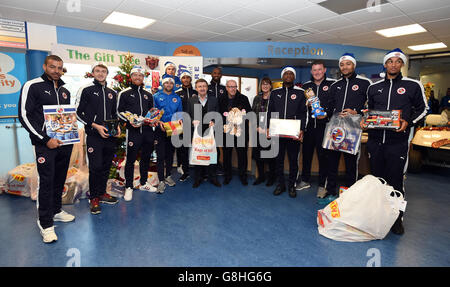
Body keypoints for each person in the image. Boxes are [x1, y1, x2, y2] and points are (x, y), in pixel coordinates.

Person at [363, 48, 428, 235]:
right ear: (385, 64)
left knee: (396, 182)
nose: (393, 64)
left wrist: (409, 122)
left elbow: (423, 109)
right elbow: (370, 111)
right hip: (375, 142)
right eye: (390, 61)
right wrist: (365, 119)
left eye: (397, 61)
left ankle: (397, 218)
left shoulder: (413, 85)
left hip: (397, 143)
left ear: (402, 65)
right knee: (377, 180)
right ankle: (379, 215)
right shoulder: (373, 88)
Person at [18, 55, 75, 243]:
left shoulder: (65, 89)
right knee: (47, 181)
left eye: (59, 67)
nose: (56, 70)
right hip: (45, 144)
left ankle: (56, 210)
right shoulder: (32, 85)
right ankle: (45, 223)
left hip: (64, 143)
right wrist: (44, 139)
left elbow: (66, 116)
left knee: (60, 178)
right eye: (52, 67)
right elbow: (24, 116)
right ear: (45, 66)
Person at [324, 53, 372, 203]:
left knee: (351, 164)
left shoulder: (365, 83)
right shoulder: (335, 85)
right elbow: (329, 107)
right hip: (335, 128)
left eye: (348, 64)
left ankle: (350, 195)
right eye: (342, 64)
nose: (345, 67)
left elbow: (372, 107)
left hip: (353, 128)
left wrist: (357, 113)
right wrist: (320, 113)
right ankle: (330, 191)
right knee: (332, 162)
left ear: (354, 65)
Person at [76, 62, 121, 214]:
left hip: (110, 135)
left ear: (107, 73)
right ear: (93, 73)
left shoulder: (112, 92)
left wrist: (118, 126)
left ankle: (102, 193)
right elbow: (78, 112)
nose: (101, 73)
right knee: (95, 167)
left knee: (106, 166)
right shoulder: (86, 90)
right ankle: (94, 197)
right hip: (94, 136)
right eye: (98, 71)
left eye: (103, 71)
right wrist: (95, 125)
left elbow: (114, 114)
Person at [117, 65, 157, 201]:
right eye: (135, 75)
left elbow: (152, 112)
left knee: (146, 158)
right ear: (131, 77)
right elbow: (118, 111)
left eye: (140, 75)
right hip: (133, 131)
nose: (138, 77)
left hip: (147, 131)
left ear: (143, 77)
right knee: (131, 159)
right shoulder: (124, 93)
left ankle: (144, 183)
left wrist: (152, 120)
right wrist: (130, 121)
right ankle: (129, 186)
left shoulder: (148, 95)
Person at [296, 60, 336, 198]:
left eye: (319, 69)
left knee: (323, 157)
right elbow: (301, 108)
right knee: (306, 155)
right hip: (309, 128)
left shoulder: (332, 84)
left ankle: (322, 184)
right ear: (311, 72)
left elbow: (335, 105)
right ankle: (305, 180)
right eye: (314, 70)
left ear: (324, 70)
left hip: (325, 128)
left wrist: (326, 114)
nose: (317, 72)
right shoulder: (306, 86)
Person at [266, 67, 307, 198]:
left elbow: (303, 113)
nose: (288, 76)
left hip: (293, 132)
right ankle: (280, 185)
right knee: (279, 160)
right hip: (278, 131)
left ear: (294, 77)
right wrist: (268, 127)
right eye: (286, 74)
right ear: (282, 76)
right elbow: (270, 111)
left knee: (293, 161)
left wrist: (301, 130)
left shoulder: (301, 93)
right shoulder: (275, 92)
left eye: (291, 74)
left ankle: (291, 186)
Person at [186, 79, 221, 188]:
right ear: (196, 88)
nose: (202, 88)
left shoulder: (214, 100)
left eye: (204, 86)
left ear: (207, 88)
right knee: (198, 154)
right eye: (199, 86)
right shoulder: (191, 101)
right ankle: (198, 178)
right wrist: (192, 121)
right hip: (197, 133)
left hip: (210, 132)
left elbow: (218, 114)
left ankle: (213, 177)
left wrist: (214, 121)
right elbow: (187, 115)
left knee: (212, 154)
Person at [153, 75, 183, 193]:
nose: (169, 85)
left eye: (171, 83)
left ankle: (168, 176)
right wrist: (158, 121)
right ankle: (161, 180)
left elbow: (180, 112)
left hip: (173, 129)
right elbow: (153, 113)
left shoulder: (177, 98)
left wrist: (180, 120)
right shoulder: (156, 96)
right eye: (166, 83)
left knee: (170, 154)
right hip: (160, 129)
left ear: (173, 85)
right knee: (160, 155)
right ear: (163, 84)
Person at [219, 79, 252, 186]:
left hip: (240, 132)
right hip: (227, 132)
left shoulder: (243, 98)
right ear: (226, 88)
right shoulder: (221, 99)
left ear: (237, 87)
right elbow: (218, 115)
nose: (233, 89)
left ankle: (243, 176)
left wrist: (242, 116)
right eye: (230, 87)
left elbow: (250, 114)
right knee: (227, 155)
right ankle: (227, 176)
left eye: (234, 87)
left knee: (242, 155)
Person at [251, 77, 276, 186]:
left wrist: (269, 129)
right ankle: (261, 176)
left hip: (270, 131)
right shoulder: (257, 98)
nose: (265, 86)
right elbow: (253, 113)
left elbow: (277, 114)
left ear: (270, 86)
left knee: (270, 157)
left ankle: (271, 178)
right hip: (258, 130)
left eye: (267, 84)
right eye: (263, 84)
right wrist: (256, 127)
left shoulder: (275, 97)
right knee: (258, 156)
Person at [175, 69, 197, 182]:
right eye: (183, 78)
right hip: (182, 125)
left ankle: (200, 172)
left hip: (195, 124)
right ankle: (185, 171)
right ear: (181, 80)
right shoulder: (177, 93)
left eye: (188, 77)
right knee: (183, 149)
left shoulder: (196, 92)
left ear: (191, 79)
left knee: (197, 147)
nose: (186, 79)